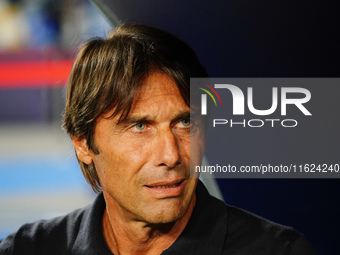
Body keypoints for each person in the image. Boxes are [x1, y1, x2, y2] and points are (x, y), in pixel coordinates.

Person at [0, 24, 317, 255]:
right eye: (139, 126)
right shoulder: (28, 249)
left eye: (184, 122)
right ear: (83, 142)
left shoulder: (278, 251)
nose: (172, 155)